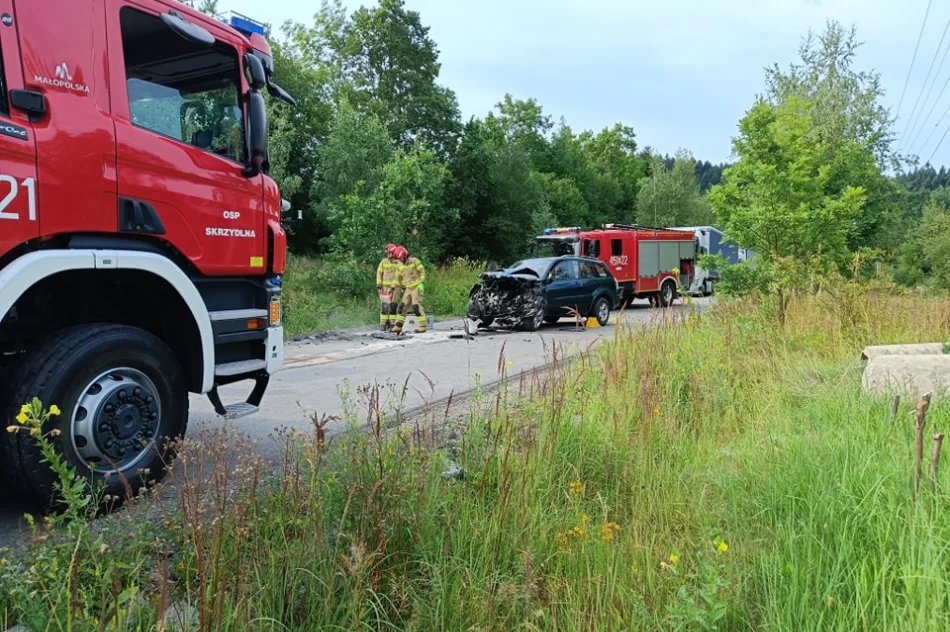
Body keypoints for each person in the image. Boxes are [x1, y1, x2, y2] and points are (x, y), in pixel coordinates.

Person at [391, 246, 427, 334]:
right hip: (408, 288)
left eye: (401, 258)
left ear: (405, 255)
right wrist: (393, 286)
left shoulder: (414, 261)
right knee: (402, 307)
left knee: (416, 306)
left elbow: (422, 270)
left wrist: (421, 280)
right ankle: (398, 326)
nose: (400, 260)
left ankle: (422, 326)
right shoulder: (399, 265)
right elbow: (397, 278)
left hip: (417, 286)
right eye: (399, 259)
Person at [376, 244, 400, 331]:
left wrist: (395, 286)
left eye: (390, 253)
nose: (388, 254)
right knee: (384, 306)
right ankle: (383, 324)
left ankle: (392, 324)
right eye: (388, 253)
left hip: (395, 288)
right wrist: (379, 284)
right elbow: (379, 273)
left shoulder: (399, 263)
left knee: (393, 306)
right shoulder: (383, 262)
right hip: (385, 288)